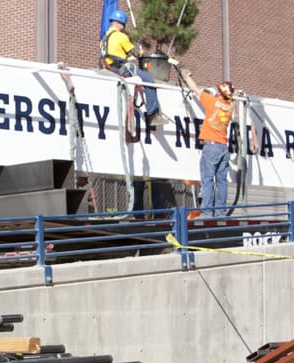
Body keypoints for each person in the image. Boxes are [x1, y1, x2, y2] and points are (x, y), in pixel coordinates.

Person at [180, 68, 235, 217]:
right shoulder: (230, 108)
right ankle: (221, 212)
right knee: (222, 181)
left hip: (211, 147)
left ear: (219, 93)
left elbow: (195, 89)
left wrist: (186, 76)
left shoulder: (213, 102)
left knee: (207, 180)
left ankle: (207, 211)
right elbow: (231, 101)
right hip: (224, 147)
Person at [100, 9, 169, 126]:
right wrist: (141, 53)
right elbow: (135, 53)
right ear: (118, 23)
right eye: (122, 24)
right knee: (149, 81)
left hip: (109, 67)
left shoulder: (104, 38)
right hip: (120, 68)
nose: (123, 27)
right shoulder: (120, 36)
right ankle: (153, 115)